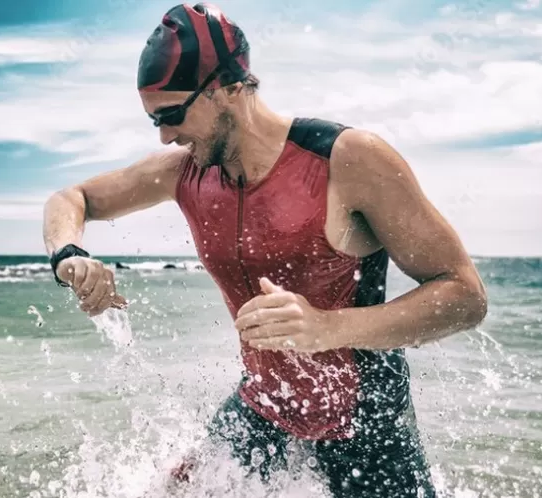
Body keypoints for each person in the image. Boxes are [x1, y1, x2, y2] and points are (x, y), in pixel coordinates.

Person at [42, 3, 488, 496]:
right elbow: (71, 199)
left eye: (172, 115)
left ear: (229, 89)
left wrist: (325, 328)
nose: (167, 135)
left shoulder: (348, 159)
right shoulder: (184, 171)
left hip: (364, 425)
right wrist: (70, 256)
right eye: (155, 122)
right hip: (265, 406)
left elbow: (465, 295)